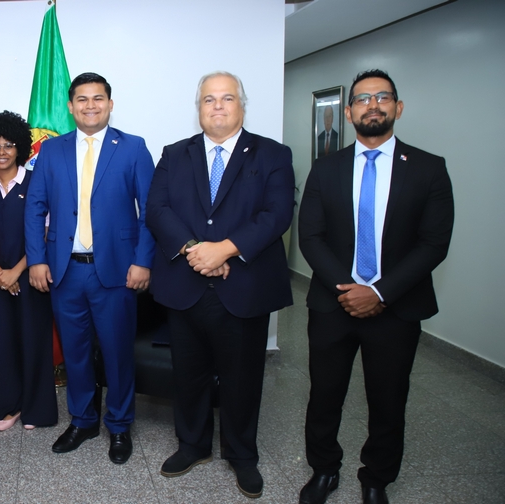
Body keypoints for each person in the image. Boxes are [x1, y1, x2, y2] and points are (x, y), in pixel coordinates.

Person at [297, 69, 454, 504]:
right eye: (363, 99)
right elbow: (310, 236)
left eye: (382, 97)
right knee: (324, 395)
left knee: (388, 399)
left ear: (398, 108)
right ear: (348, 113)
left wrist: (380, 292)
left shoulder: (429, 168)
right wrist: (349, 289)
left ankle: (376, 478)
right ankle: (324, 470)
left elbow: (433, 243)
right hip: (333, 305)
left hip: (396, 308)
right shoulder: (325, 169)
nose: (373, 105)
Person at [146, 71, 295, 499]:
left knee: (242, 377)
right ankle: (192, 445)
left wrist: (225, 250)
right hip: (184, 283)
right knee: (188, 373)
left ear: (241, 105)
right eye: (208, 99)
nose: (217, 106)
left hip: (245, 285)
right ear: (199, 108)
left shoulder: (272, 154)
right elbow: (157, 208)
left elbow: (277, 214)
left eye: (226, 98)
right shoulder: (175, 154)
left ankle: (241, 454)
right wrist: (197, 251)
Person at [25, 72, 155, 465]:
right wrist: (36, 259)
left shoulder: (133, 147)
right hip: (65, 271)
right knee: (75, 353)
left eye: (98, 98)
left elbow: (150, 211)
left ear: (110, 104)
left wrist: (142, 261)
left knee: (117, 352)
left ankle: (119, 425)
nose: (90, 106)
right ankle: (83, 421)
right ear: (70, 106)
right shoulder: (51, 150)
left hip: (116, 271)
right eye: (82, 99)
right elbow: (35, 208)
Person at [0, 110, 57, 432]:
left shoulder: (36, 182)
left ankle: (36, 409)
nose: (2, 151)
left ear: (20, 147)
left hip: (31, 275)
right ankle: (8, 407)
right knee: (1, 342)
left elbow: (47, 231)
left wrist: (17, 270)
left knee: (33, 340)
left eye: (8, 145)